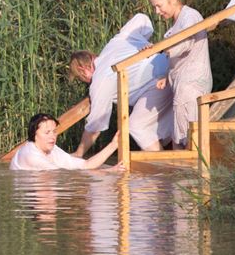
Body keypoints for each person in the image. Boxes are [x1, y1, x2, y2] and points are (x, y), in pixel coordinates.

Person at [68, 13, 173, 155]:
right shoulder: (115, 42)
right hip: (172, 67)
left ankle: (166, 167)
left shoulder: (99, 80)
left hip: (158, 83)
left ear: (84, 70)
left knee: (138, 126)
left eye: (81, 78)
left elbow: (96, 125)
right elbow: (143, 19)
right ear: (93, 56)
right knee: (152, 130)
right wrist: (143, 42)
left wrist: (79, 153)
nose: (85, 82)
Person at [149, 0, 212, 149]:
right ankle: (183, 173)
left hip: (192, 84)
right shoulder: (177, 22)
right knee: (181, 134)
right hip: (183, 84)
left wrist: (163, 48)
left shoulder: (190, 16)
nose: (157, 11)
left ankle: (187, 174)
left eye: (159, 5)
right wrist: (165, 75)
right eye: (155, 7)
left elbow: (186, 42)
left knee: (186, 137)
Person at [9, 113, 123, 171]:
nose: (52, 136)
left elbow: (85, 165)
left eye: (54, 132)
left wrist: (114, 145)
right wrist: (108, 172)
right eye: (47, 132)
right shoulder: (30, 155)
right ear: (34, 135)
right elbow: (64, 176)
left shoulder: (52, 149)